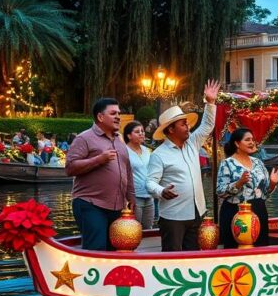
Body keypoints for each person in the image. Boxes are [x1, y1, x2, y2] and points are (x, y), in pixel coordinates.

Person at [147, 80, 220, 252]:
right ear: (171, 130)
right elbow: (149, 182)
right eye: (183, 124)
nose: (188, 126)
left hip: (197, 211)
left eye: (187, 123)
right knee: (172, 257)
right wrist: (161, 191)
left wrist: (210, 103)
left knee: (193, 255)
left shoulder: (193, 143)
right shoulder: (159, 154)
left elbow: (207, 125)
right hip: (173, 215)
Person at [66, 97, 137, 251]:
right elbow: (70, 167)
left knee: (116, 249)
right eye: (113, 113)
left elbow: (127, 170)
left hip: (117, 206)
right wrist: (99, 159)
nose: (118, 116)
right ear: (100, 117)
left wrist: (131, 196)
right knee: (96, 249)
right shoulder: (84, 138)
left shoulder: (119, 140)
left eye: (119, 113)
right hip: (91, 204)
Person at [216, 128, 278, 248]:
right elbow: (220, 191)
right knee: (235, 249)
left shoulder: (258, 162)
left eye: (252, 139)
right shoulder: (227, 163)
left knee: (260, 248)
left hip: (258, 210)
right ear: (237, 143)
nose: (252, 142)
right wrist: (239, 183)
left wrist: (273, 183)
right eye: (247, 140)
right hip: (235, 211)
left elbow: (265, 193)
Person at [123, 120, 155, 231]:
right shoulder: (124, 151)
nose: (141, 133)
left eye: (142, 131)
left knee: (148, 228)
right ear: (129, 135)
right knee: (134, 230)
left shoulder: (147, 150)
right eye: (137, 132)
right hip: (134, 196)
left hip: (149, 195)